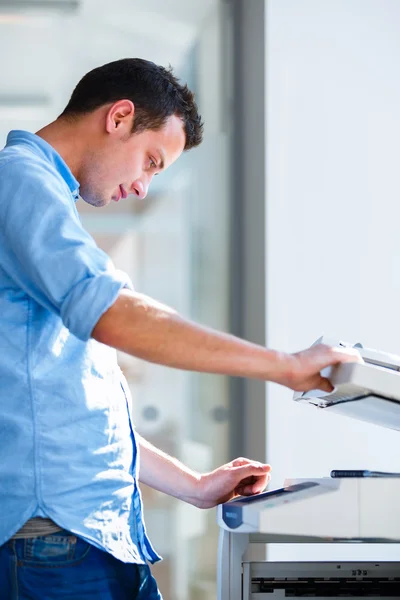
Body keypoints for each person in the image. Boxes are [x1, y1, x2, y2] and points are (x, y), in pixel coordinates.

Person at [0, 58, 360, 599]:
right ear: (119, 117)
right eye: (150, 161)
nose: (143, 187)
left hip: (87, 533)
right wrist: (283, 367)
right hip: (55, 539)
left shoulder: (44, 195)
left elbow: (71, 411)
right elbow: (115, 315)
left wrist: (193, 487)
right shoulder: (20, 180)